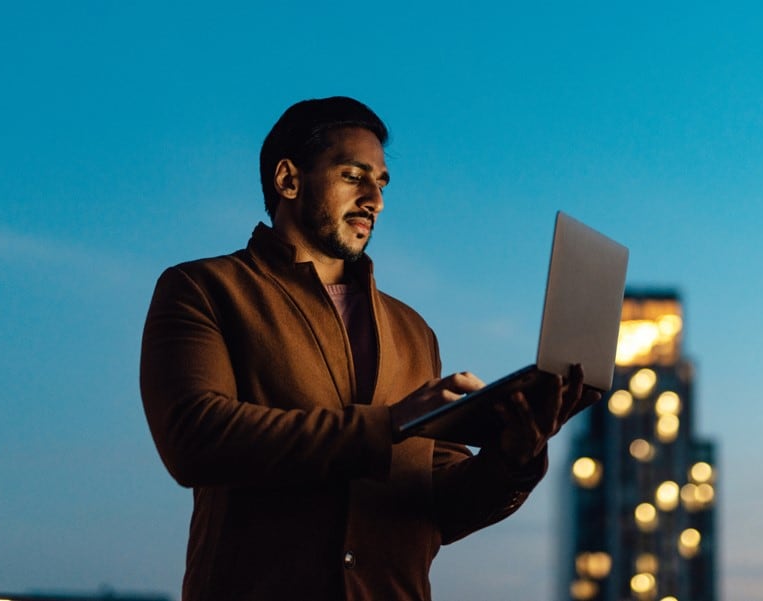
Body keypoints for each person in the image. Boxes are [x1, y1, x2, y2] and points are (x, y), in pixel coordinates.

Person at [140, 96, 596, 601]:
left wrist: (514, 456)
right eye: (353, 175)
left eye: (380, 183)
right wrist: (389, 424)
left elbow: (438, 507)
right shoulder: (202, 288)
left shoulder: (413, 331)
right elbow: (194, 437)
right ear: (288, 180)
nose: (374, 200)